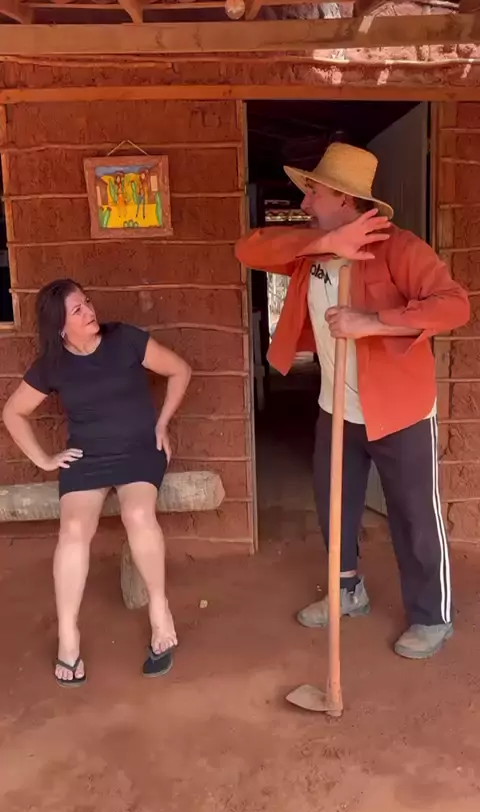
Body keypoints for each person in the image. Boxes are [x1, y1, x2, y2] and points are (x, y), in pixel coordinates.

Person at [236, 142, 471, 660]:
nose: (304, 202)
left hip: (401, 412)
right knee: (334, 504)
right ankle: (347, 590)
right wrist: (329, 241)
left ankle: (431, 616)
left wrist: (373, 322)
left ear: (342, 197)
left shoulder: (399, 248)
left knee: (414, 515)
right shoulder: (315, 248)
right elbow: (248, 249)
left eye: (313, 192)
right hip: (336, 408)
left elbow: (454, 306)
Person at [3, 279, 191, 686]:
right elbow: (13, 412)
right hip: (87, 458)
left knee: (137, 514)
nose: (89, 311)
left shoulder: (124, 339)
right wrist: (44, 459)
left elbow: (180, 369)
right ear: (59, 327)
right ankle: (68, 635)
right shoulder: (53, 364)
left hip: (139, 449)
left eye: (87, 303)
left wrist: (162, 423)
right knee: (72, 529)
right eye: (77, 310)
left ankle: (160, 612)